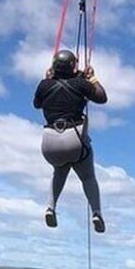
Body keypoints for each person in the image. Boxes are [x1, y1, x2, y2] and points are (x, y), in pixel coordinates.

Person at [33, 49, 108, 233]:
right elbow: (101, 97)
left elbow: (37, 103)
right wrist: (92, 78)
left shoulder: (44, 85)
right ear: (73, 66)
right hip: (73, 138)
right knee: (88, 177)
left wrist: (48, 78)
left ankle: (51, 207)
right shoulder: (81, 84)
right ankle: (96, 212)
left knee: (60, 169)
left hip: (49, 142)